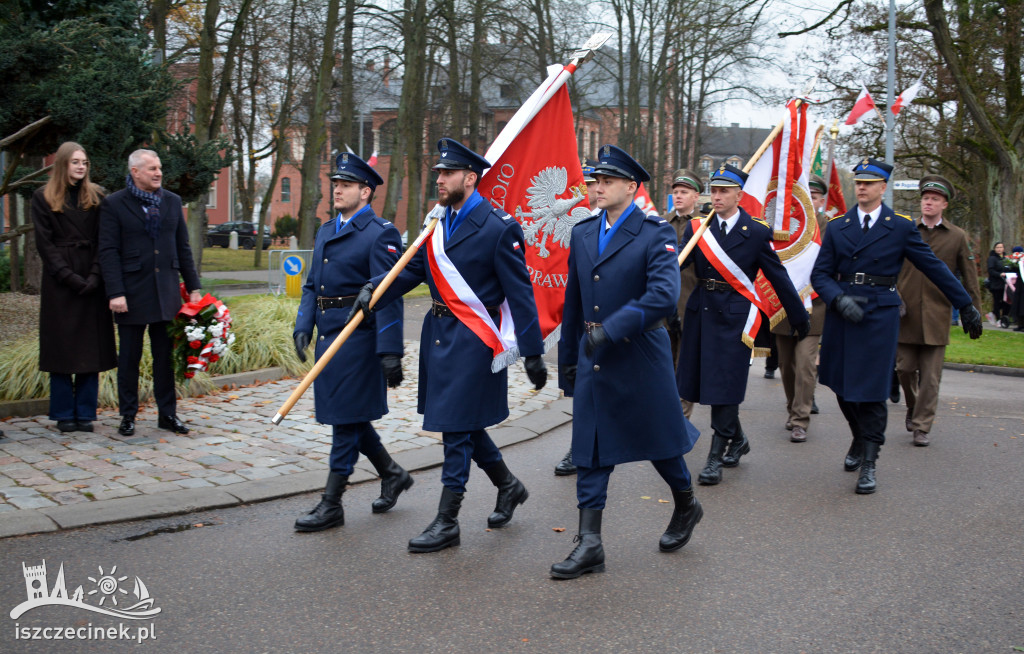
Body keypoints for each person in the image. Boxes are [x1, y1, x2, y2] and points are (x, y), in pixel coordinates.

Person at [350, 138, 547, 553]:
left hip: (475, 340)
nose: (439, 179)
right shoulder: (438, 223)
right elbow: (414, 270)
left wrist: (531, 351)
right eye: (438, 173)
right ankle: (508, 486)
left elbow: (521, 293)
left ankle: (447, 520)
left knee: (455, 430)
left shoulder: (498, 226)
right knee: (465, 425)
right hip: (438, 337)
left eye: (447, 173)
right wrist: (375, 289)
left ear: (470, 178)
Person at [552, 144, 702, 579]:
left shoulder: (656, 232)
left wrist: (612, 329)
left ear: (632, 187)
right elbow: (574, 300)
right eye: (595, 181)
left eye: (607, 181)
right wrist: (569, 362)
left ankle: (687, 503)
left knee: (660, 442)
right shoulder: (582, 232)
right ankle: (591, 543)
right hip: (594, 356)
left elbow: (661, 297)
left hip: (639, 354)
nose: (597, 188)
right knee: (591, 448)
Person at [811, 158, 982, 495]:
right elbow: (820, 273)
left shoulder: (900, 227)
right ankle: (859, 437)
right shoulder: (838, 226)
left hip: (879, 314)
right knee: (842, 387)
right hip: (844, 310)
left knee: (872, 391)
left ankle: (870, 461)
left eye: (869, 182)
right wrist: (835, 298)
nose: (861, 187)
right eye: (859, 181)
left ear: (882, 188)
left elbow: (934, 267)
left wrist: (966, 304)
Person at [291, 152, 411, 532]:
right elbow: (312, 285)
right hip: (329, 336)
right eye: (335, 184)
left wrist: (390, 351)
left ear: (365, 191)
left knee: (345, 422)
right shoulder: (327, 230)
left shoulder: (380, 233)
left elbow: (389, 292)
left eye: (345, 185)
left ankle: (332, 504)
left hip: (359, 338)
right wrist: (303, 325)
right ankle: (392, 474)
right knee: (352, 418)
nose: (337, 189)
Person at [676, 164, 810, 486]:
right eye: (715, 190)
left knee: (725, 388)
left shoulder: (757, 231)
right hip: (701, 315)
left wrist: (799, 317)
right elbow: (677, 265)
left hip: (736, 318)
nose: (717, 196)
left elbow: (777, 275)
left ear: (739, 194)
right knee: (697, 383)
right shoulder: (697, 227)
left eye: (724, 191)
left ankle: (714, 457)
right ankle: (737, 439)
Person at [98, 149, 202, 436]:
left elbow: (183, 247)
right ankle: (127, 416)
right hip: (131, 294)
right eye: (152, 168)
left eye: (159, 168)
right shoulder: (115, 204)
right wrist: (115, 292)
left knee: (164, 359)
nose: (158, 173)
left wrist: (193, 287)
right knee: (129, 359)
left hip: (166, 292)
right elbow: (108, 252)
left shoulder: (172, 201)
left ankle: (167, 415)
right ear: (135, 172)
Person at [31, 142, 117, 432]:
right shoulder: (42, 198)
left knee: (90, 348)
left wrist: (94, 275)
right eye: (75, 162)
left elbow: (104, 239)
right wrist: (68, 276)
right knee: (61, 347)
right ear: (63, 164)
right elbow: (45, 245)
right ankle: (63, 412)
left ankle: (85, 412)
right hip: (59, 284)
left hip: (92, 279)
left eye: (85, 162)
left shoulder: (97, 197)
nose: (81, 167)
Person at [895, 175, 982, 447]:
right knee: (905, 369)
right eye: (925, 198)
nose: (928, 203)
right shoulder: (906, 229)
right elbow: (890, 266)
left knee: (931, 377)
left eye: (934, 199)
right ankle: (913, 408)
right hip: (904, 312)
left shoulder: (957, 236)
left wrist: (973, 311)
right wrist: (893, 296)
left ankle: (921, 426)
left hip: (936, 315)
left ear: (944, 204)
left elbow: (970, 277)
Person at [769, 174, 829, 442]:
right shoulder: (787, 225)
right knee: (786, 364)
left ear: (820, 200)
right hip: (784, 304)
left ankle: (800, 418)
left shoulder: (829, 226)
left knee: (805, 362)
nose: (811, 201)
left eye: (815, 197)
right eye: (807, 196)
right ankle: (793, 406)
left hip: (814, 303)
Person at [553, 159, 601, 478]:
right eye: (586, 182)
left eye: (596, 182)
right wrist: (568, 347)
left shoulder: (638, 228)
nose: (590, 188)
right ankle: (580, 448)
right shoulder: (581, 230)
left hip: (622, 331)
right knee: (585, 394)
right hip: (588, 331)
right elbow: (574, 293)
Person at [663, 168, 703, 422]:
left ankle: (680, 418)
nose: (678, 196)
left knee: (686, 365)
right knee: (665, 363)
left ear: (696, 196)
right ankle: (668, 413)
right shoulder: (661, 224)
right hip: (665, 305)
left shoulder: (704, 225)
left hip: (692, 302)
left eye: (684, 192)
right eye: (676, 191)